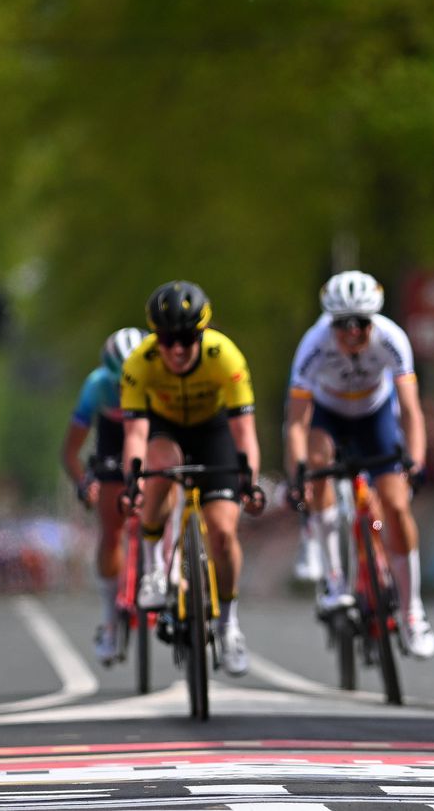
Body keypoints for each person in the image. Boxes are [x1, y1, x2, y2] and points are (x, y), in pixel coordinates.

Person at [284, 271, 434, 658]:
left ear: (374, 320)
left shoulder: (392, 338)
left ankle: (412, 611)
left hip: (375, 415)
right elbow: (297, 422)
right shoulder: (313, 346)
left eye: (361, 324)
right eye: (342, 325)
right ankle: (335, 581)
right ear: (330, 323)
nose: (352, 332)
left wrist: (415, 461)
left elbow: (412, 412)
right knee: (317, 465)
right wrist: (297, 472)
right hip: (328, 414)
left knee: (397, 506)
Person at [120, 281, 265, 676]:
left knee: (222, 533)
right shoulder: (139, 362)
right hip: (167, 429)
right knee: (158, 464)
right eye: (167, 340)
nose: (178, 350)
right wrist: (133, 482)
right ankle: (152, 568)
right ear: (156, 338)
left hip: (213, 430)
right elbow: (134, 435)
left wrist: (249, 480)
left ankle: (229, 623)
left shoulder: (225, 357)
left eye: (187, 339)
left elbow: (244, 432)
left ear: (202, 334)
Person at [60, 327, 146, 665]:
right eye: (119, 383)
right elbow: (70, 453)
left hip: (152, 429)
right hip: (113, 438)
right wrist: (84, 483)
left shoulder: (157, 377)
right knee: (111, 528)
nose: (126, 390)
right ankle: (111, 620)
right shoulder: (96, 387)